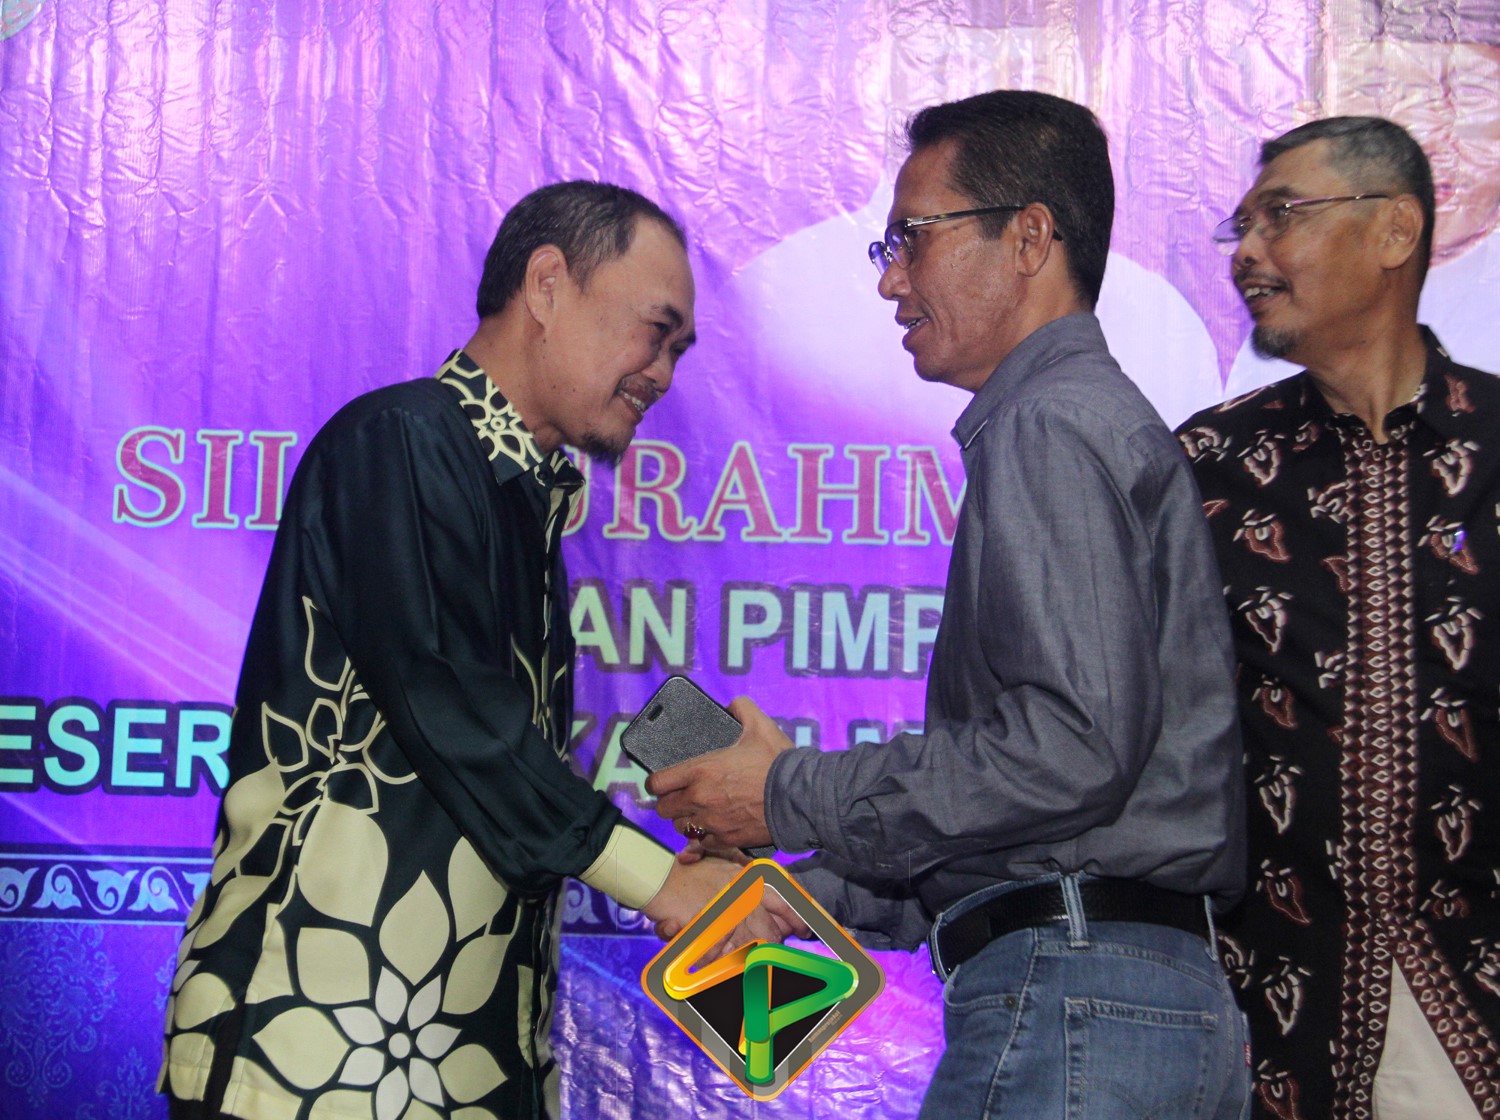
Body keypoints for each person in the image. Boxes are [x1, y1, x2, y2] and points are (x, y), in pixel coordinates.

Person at [649, 90, 1250, 1118]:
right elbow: (1036, 823)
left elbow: (1071, 751)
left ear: (1028, 237)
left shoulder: (1049, 422)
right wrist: (787, 898)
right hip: (1113, 1003)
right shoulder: (1068, 420)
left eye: (913, 239)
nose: (890, 279)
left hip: (1073, 1000)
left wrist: (787, 791)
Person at [158, 181, 755, 1120]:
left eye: (680, 351)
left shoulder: (524, 502)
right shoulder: (401, 441)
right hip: (316, 1061)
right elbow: (454, 711)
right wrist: (663, 886)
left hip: (471, 1065)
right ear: (547, 284)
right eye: (656, 331)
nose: (663, 374)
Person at [1178, 117, 1500, 1120]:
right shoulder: (1209, 466)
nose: (1247, 252)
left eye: (1282, 214)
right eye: (1241, 224)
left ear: (1396, 230)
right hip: (1276, 1021)